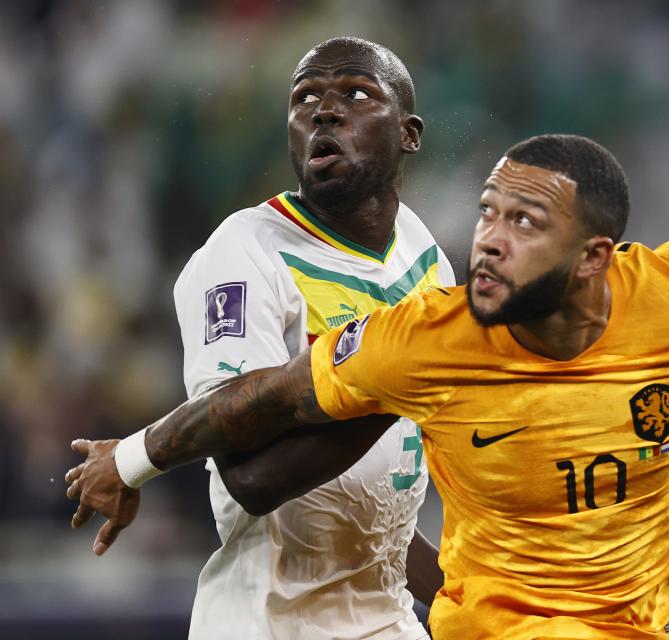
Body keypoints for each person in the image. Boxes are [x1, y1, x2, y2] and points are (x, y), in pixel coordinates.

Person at [67, 134, 669, 639]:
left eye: (524, 223)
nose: (488, 239)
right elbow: (266, 398)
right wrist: (130, 461)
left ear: (594, 259)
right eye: (488, 212)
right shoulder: (427, 340)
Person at [118, 37, 453, 639]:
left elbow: (384, 534)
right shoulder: (243, 254)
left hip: (386, 619)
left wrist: (478, 596)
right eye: (305, 99)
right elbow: (251, 480)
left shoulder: (422, 254)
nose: (324, 110)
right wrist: (399, 378)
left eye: (356, 93)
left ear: (409, 133)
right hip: (268, 622)